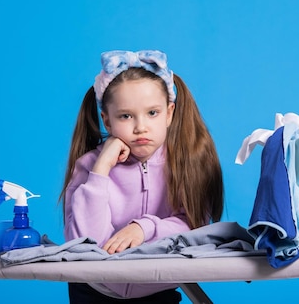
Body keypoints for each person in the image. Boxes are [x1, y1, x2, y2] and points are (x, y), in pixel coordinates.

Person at [59, 50, 224, 304]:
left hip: (157, 289)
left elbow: (193, 229)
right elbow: (85, 244)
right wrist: (102, 167)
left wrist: (144, 227)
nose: (140, 127)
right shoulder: (89, 167)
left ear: (169, 113)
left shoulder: (186, 164)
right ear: (107, 120)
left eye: (152, 113)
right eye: (126, 116)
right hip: (94, 292)